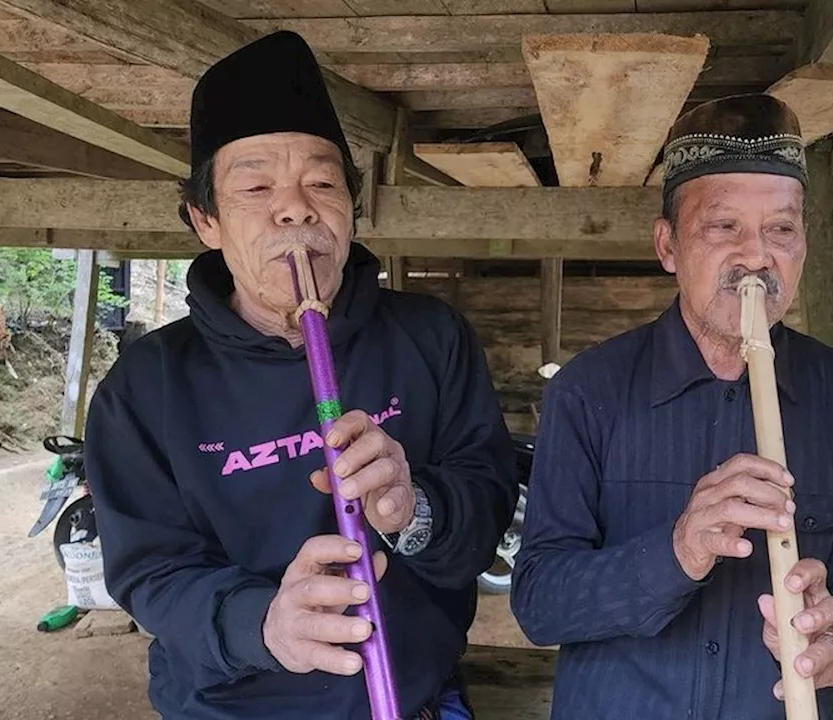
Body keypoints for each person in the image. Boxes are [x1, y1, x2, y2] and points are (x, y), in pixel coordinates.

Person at [83, 30, 519, 720]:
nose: (296, 208)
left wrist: (417, 510)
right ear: (207, 220)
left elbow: (489, 494)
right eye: (257, 187)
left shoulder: (430, 335)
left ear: (351, 205)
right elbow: (150, 571)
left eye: (321, 182)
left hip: (415, 698)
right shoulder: (147, 384)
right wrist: (265, 622)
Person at [509, 94, 833, 719]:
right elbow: (539, 604)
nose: (756, 256)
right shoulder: (588, 390)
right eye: (724, 227)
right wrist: (678, 549)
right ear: (668, 246)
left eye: (781, 229)